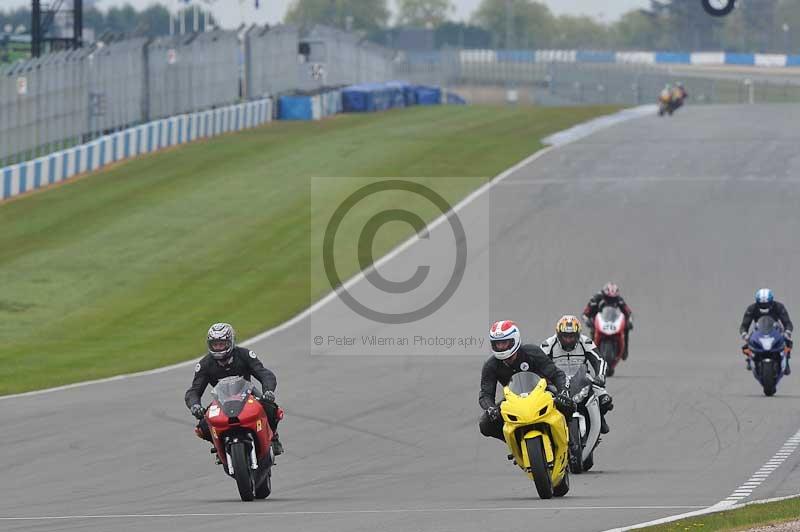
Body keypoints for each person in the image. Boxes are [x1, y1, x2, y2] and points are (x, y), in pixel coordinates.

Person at [185, 323, 283, 455]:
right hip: (221, 401)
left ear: (230, 342)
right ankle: (219, 446)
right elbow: (194, 390)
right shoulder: (205, 364)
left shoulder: (245, 355)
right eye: (215, 344)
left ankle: (274, 438)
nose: (218, 348)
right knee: (203, 425)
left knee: (270, 408)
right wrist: (195, 406)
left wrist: (268, 391)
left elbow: (264, 373)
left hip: (249, 395)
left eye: (222, 344)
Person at [479, 320, 573, 442]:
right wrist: (490, 408)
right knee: (485, 424)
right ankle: (515, 442)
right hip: (513, 401)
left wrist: (563, 392)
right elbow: (485, 394)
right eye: (498, 344)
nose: (501, 347)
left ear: (514, 340)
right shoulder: (490, 365)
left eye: (505, 342)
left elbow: (557, 374)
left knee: (568, 404)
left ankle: (571, 442)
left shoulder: (532, 352)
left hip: (544, 393)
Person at [540, 315, 614, 434]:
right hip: (557, 383)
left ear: (578, 334)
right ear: (558, 334)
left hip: (582, 379)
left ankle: (600, 419)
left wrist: (600, 376)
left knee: (605, 399)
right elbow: (537, 363)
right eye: (565, 336)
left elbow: (599, 360)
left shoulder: (585, 342)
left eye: (572, 336)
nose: (568, 340)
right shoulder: (548, 345)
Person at [740, 289, 793, 374]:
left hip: (776, 330)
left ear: (771, 301)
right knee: (747, 345)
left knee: (788, 342)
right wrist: (745, 335)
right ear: (757, 302)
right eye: (761, 304)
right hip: (758, 330)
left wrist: (787, 332)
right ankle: (750, 359)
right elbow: (744, 325)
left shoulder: (779, 307)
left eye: (766, 304)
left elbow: (787, 323)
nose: (764, 306)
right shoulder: (751, 308)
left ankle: (786, 362)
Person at [582, 282, 634, 360]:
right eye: (609, 298)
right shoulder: (596, 299)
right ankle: (592, 352)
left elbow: (628, 312)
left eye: (613, 299)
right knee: (593, 331)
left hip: (613, 321)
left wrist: (629, 321)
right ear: (604, 295)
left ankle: (625, 350)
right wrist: (587, 320)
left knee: (626, 329)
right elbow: (585, 313)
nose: (611, 300)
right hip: (598, 322)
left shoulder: (619, 300)